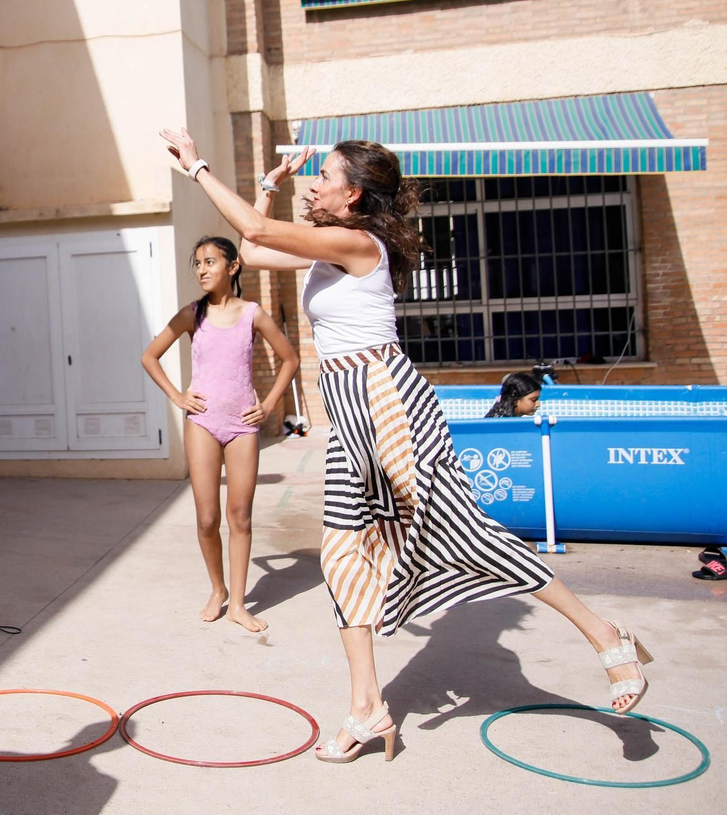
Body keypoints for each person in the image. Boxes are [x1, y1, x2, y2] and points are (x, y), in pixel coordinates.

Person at [158, 129, 654, 765]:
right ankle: (367, 707)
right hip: (349, 411)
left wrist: (197, 164)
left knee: (468, 535)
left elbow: (253, 231)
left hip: (387, 401)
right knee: (343, 557)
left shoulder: (360, 243)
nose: (315, 183)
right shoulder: (328, 247)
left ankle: (606, 635)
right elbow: (252, 248)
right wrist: (271, 183)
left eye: (324, 176)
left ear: (353, 194)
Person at [142, 237, 299, 632]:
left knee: (240, 516)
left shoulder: (253, 314)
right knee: (207, 518)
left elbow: (290, 359)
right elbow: (150, 356)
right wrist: (178, 396)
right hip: (203, 423)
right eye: (198, 263)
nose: (202, 269)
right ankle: (218, 588)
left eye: (210, 261)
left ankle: (238, 605)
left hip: (243, 425)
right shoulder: (192, 315)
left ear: (233, 266)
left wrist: (268, 405)